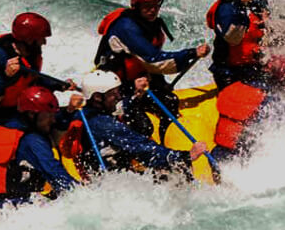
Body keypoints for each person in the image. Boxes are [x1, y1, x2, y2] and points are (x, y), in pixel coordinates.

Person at [94, 0, 210, 140]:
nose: (153, 10)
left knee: (170, 101)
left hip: (139, 78)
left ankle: (168, 145)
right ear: (136, 6)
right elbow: (154, 61)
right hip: (115, 88)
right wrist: (191, 53)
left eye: (156, 5)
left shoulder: (151, 23)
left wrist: (157, 82)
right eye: (147, 6)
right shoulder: (126, 27)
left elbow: (151, 62)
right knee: (143, 126)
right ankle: (134, 152)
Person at [205, 0, 283, 163]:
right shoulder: (226, 8)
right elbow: (233, 38)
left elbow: (268, 32)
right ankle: (226, 158)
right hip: (230, 74)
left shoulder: (258, 5)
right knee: (266, 106)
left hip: (252, 69)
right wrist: (241, 7)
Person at [69, 70, 208, 178]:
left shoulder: (92, 110)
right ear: (98, 97)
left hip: (118, 171)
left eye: (119, 92)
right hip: (112, 182)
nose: (119, 97)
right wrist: (184, 156)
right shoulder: (102, 124)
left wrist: (136, 94)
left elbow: (123, 104)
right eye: (114, 94)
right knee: (177, 170)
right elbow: (140, 147)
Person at [0, 85, 80, 214]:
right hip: (20, 208)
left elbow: (50, 123)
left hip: (1, 207)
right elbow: (55, 173)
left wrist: (68, 112)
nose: (53, 120)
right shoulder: (31, 140)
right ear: (32, 114)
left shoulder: (8, 125)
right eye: (49, 116)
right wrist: (83, 195)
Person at [0, 12, 74, 130]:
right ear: (29, 40)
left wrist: (59, 85)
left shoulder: (31, 52)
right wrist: (5, 76)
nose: (44, 42)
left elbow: (31, 79)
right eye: (41, 38)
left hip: (18, 109)